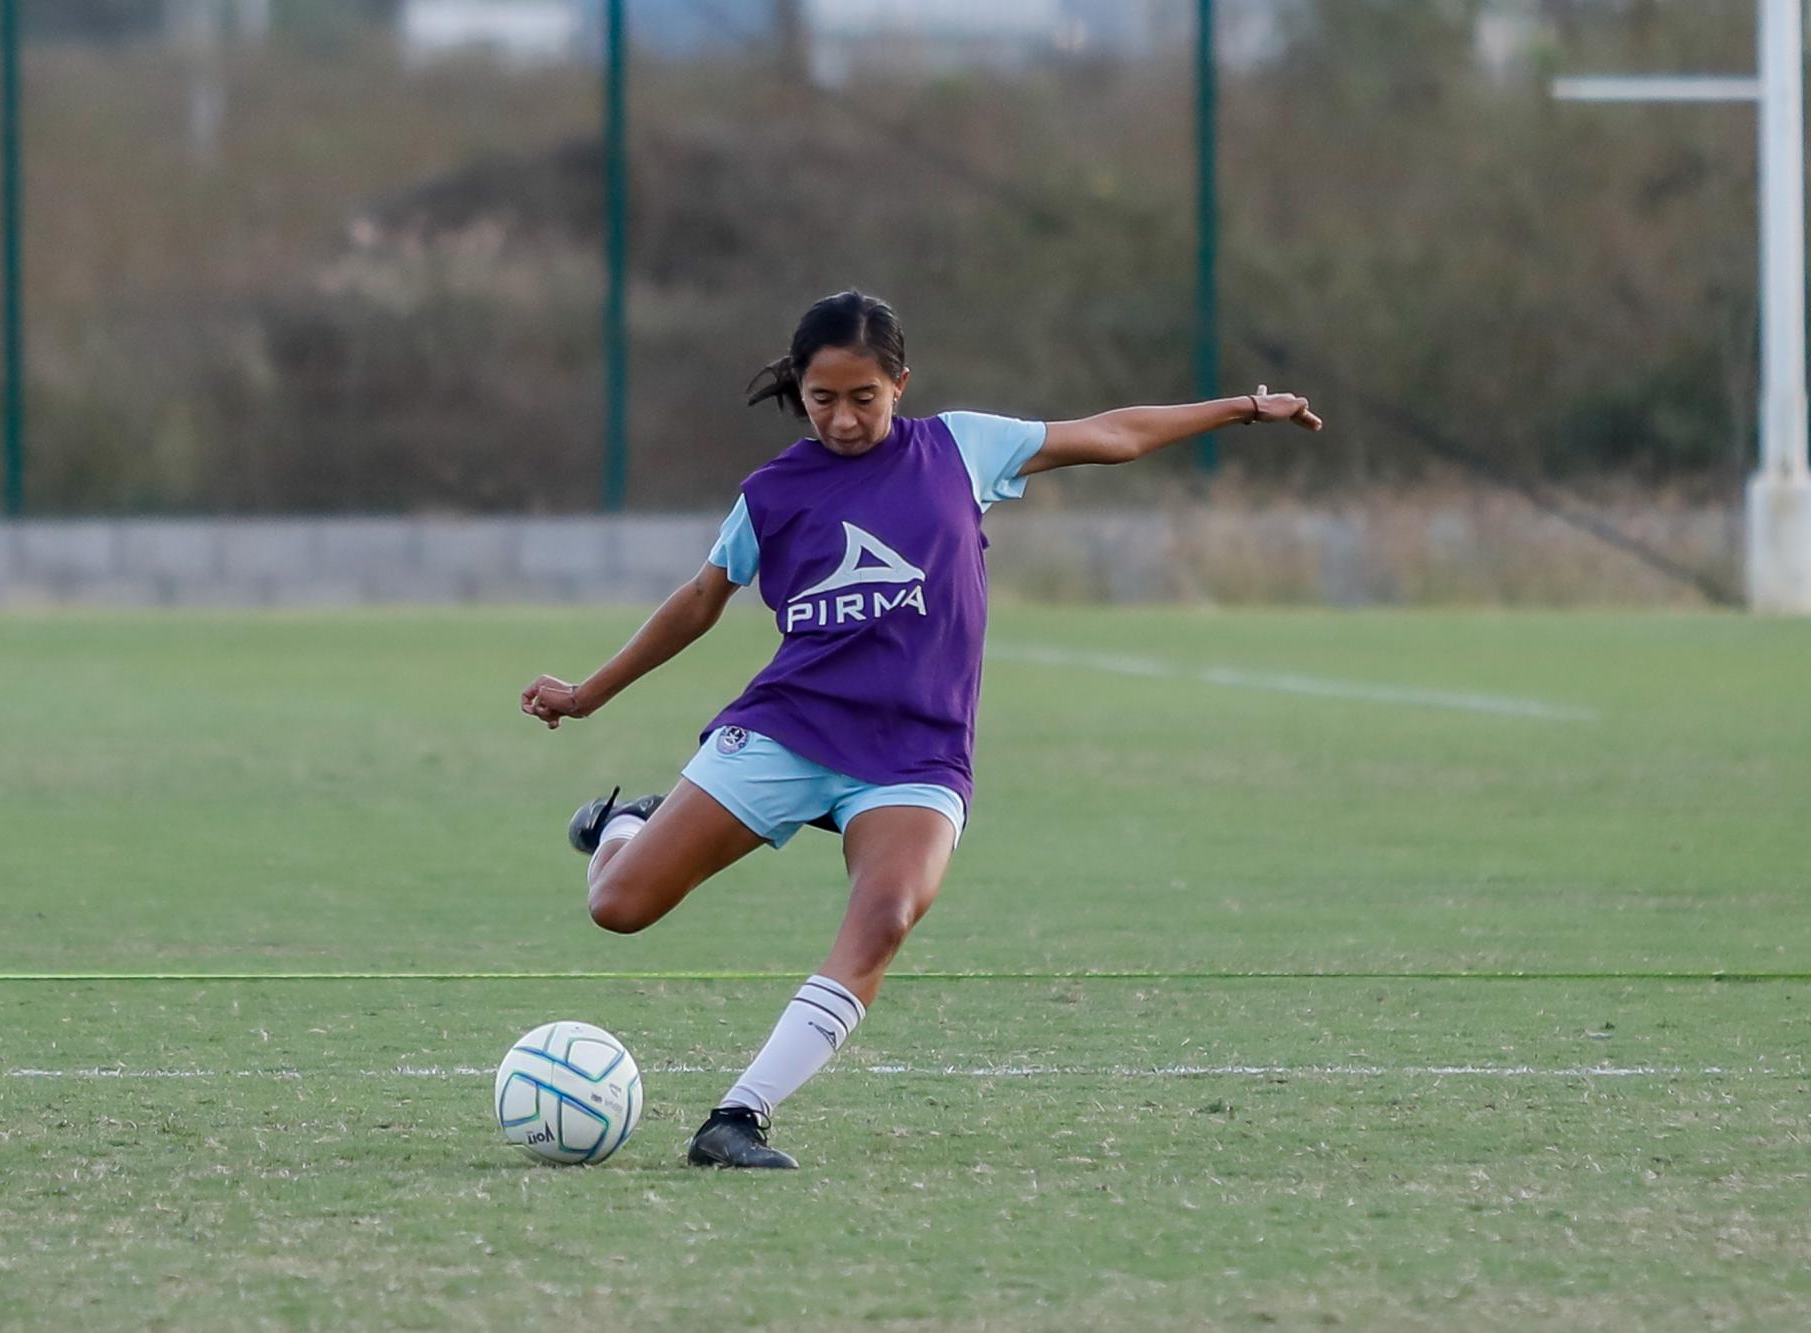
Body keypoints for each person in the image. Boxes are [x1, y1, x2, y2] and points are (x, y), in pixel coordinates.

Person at [520, 290, 1322, 1169]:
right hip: (792, 726)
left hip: (916, 749)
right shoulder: (773, 493)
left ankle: (738, 1118)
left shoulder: (960, 447)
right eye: (823, 399)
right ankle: (624, 826)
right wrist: (588, 693)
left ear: (901, 383)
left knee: (888, 912)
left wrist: (1245, 408)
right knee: (618, 907)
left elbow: (1115, 435)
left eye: (864, 396)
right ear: (801, 390)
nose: (845, 417)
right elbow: (700, 601)